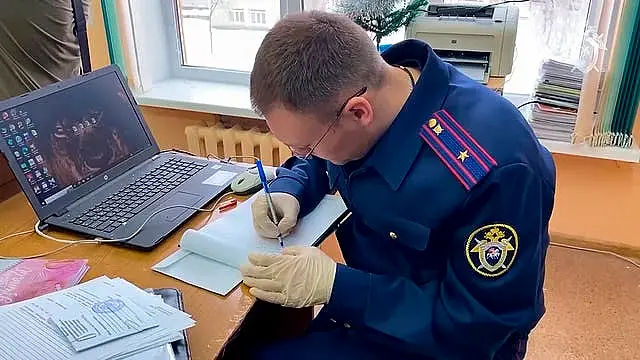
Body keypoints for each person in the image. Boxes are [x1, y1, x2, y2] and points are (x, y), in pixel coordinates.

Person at [240, 11, 556, 360]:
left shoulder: (496, 168)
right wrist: (291, 185)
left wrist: (336, 286)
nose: (303, 155)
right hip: (373, 308)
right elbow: (323, 157)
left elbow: (476, 325)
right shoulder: (373, 85)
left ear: (358, 113)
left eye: (304, 147)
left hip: (446, 340)